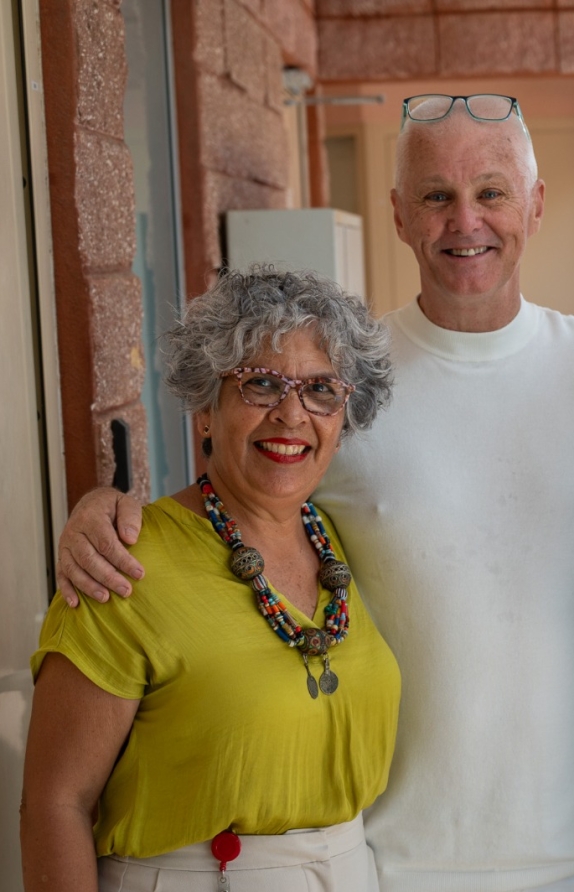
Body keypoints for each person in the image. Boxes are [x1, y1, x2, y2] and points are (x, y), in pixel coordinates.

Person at [53, 94, 574, 892]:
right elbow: (231, 506)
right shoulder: (344, 386)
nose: (464, 221)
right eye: (436, 196)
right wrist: (101, 513)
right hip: (394, 862)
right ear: (400, 214)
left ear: (536, 204)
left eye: (491, 192)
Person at [21, 268, 400, 891]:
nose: (291, 415)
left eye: (321, 391)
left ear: (344, 415)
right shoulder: (125, 564)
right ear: (205, 408)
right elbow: (55, 804)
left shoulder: (341, 537)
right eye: (259, 385)